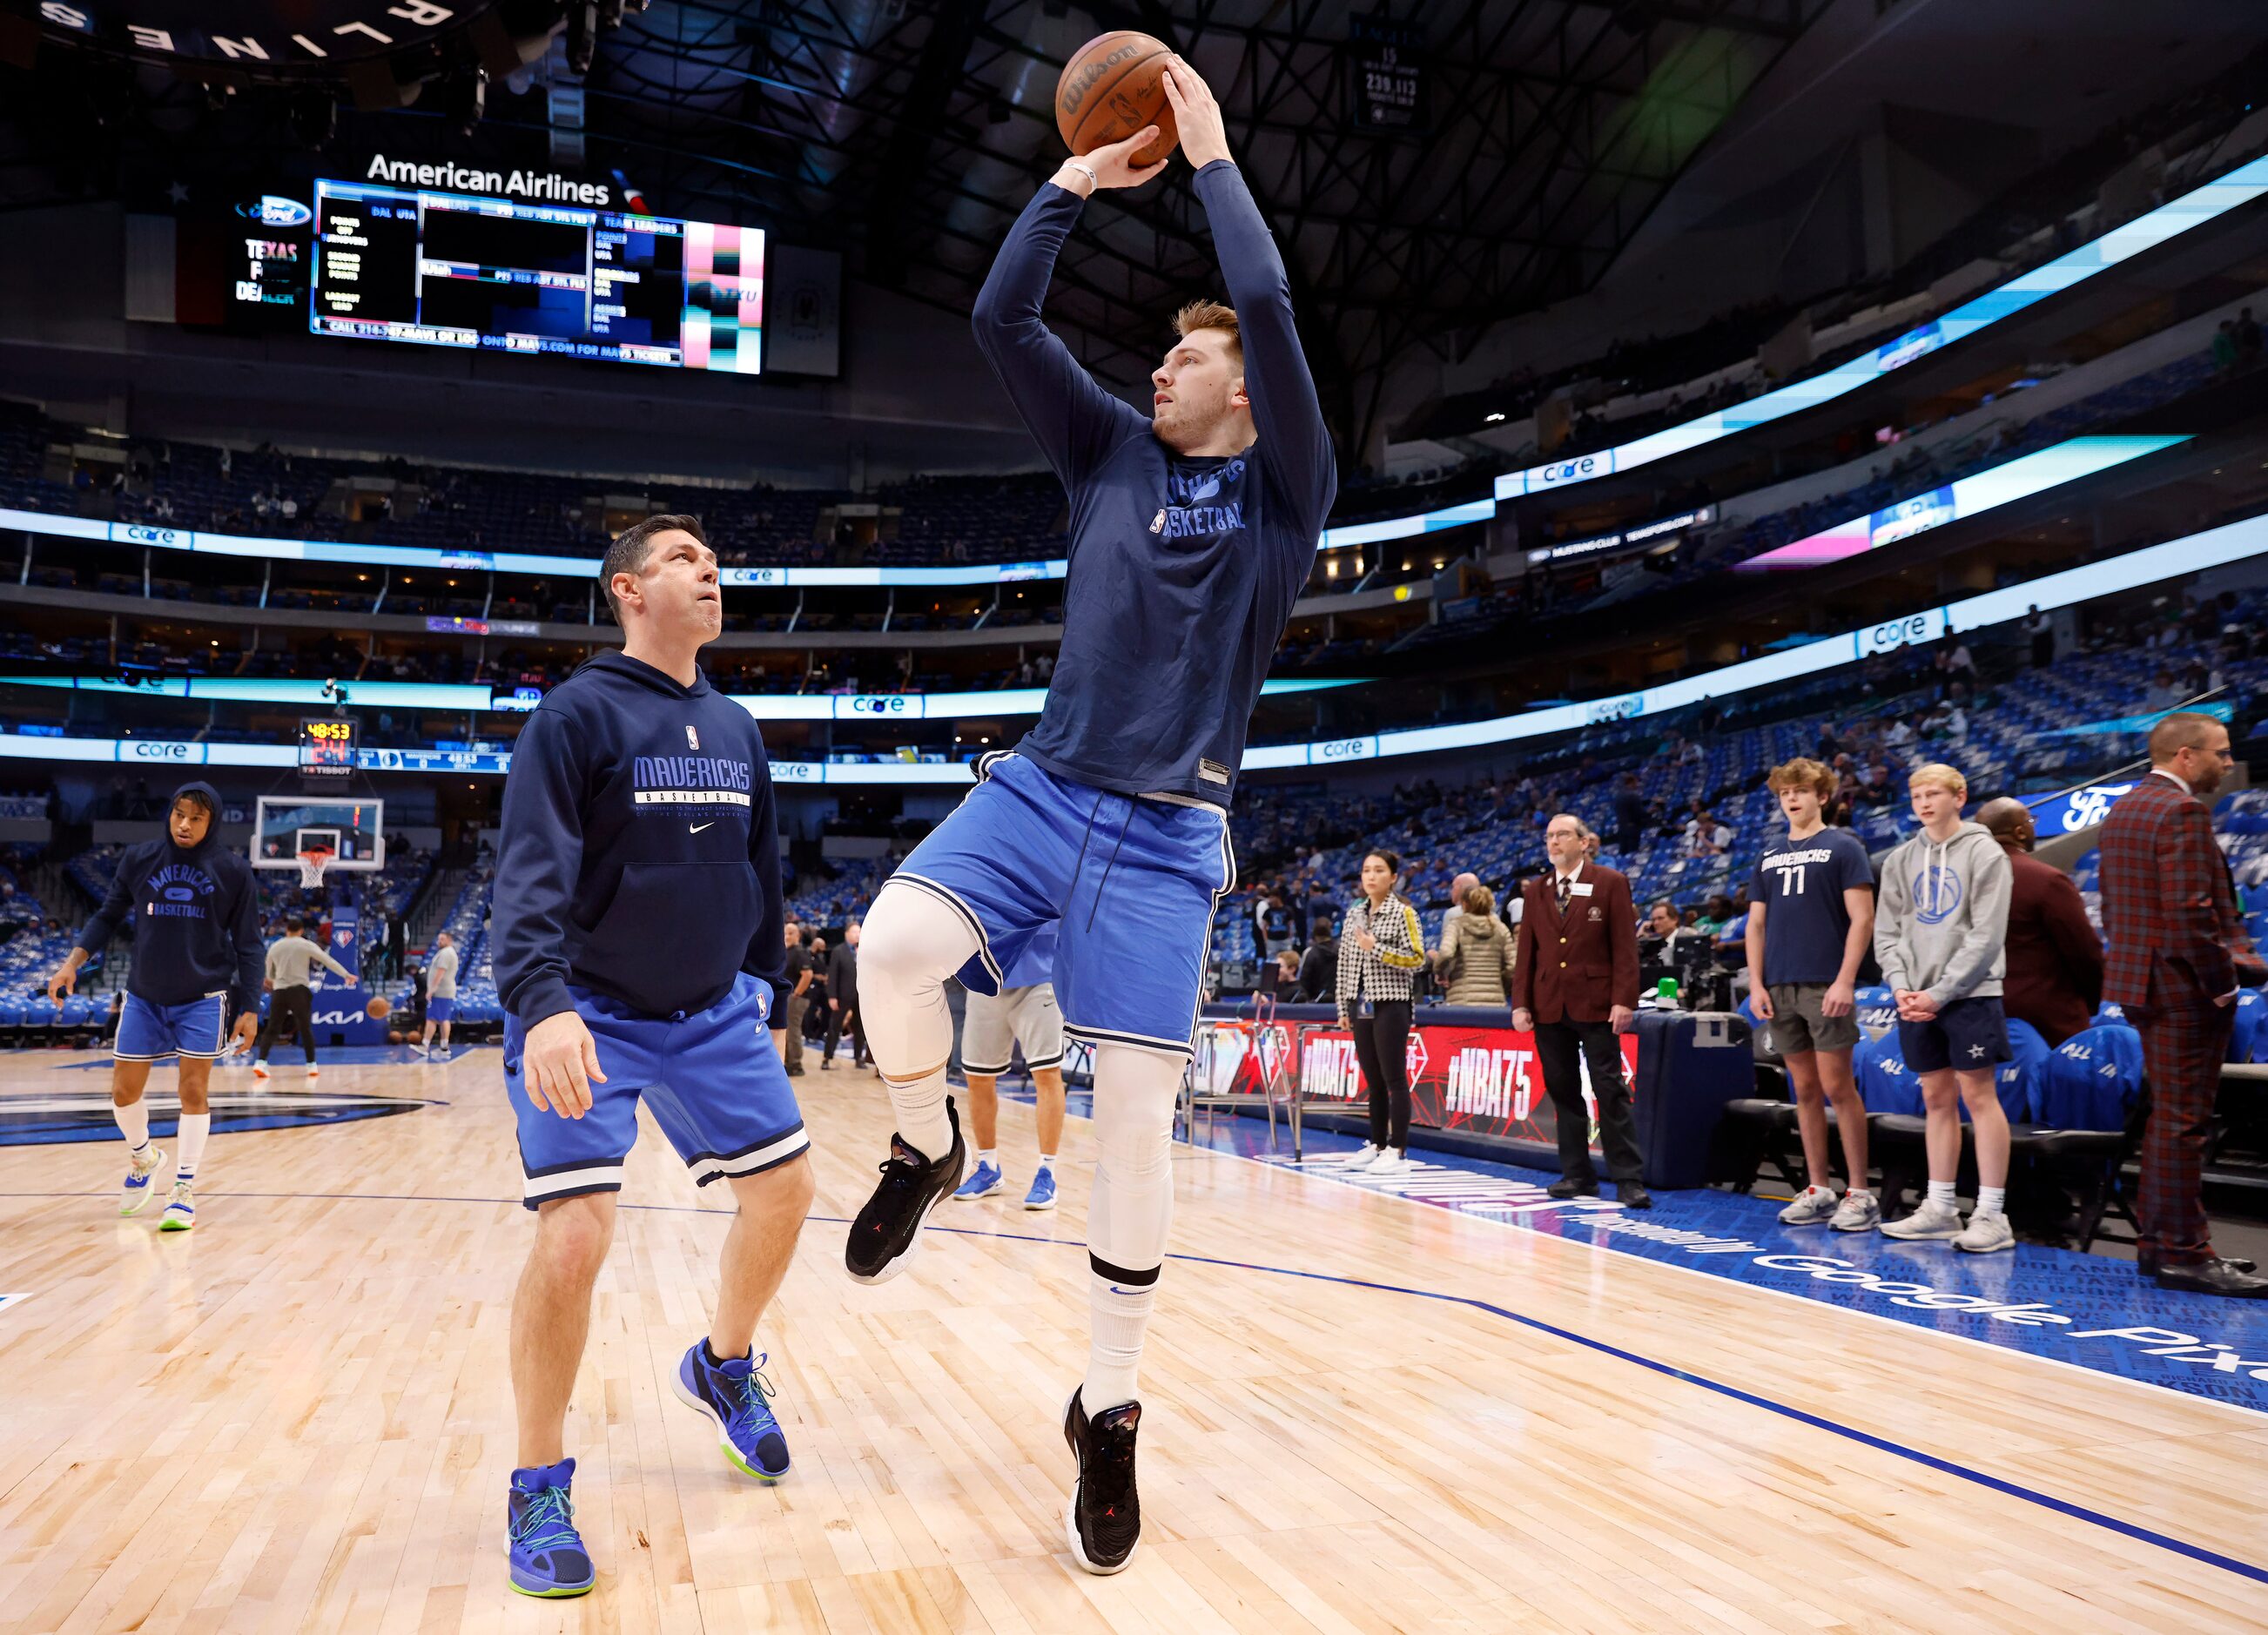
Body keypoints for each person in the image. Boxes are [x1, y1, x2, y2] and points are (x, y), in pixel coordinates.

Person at [841, 60, 1334, 1577]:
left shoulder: (1283, 494)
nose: (1156, 375)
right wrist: (1071, 187)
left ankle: (1107, 1410)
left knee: (1132, 1122)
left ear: (1238, 387)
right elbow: (1003, 321)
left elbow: (1272, 312)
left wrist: (1213, 161)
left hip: (1170, 829)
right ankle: (925, 1145)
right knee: (892, 943)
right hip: (1045, 789)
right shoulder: (1111, 456)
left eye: (1183, 362)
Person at [489, 515, 816, 1598]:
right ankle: (537, 1481)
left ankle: (723, 1367)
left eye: (713, 561)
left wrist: (765, 989)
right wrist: (540, 1006)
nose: (707, 570)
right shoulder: (575, 717)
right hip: (589, 1009)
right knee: (576, 1240)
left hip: (715, 1010)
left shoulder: (736, 726)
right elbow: (528, 873)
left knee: (787, 1192)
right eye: (682, 559)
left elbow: (762, 871)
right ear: (629, 591)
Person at [2097, 713, 2268, 1296]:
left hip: (2140, 984)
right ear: (2185, 757)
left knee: (2168, 1121)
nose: (2227, 763)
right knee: (2182, 1125)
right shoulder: (2183, 811)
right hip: (2181, 990)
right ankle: (2184, 1255)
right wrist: (2223, 982)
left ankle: (2158, 1245)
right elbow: (2190, 915)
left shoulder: (2123, 807)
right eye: (2219, 753)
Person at [47, 781, 261, 1232]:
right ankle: (145, 1157)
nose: (185, 824)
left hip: (203, 997)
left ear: (212, 822)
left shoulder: (234, 871)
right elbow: (107, 916)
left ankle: (183, 1188)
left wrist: (250, 1007)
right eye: (179, 813)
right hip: (144, 994)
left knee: (193, 1092)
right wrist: (72, 964)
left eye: (196, 818)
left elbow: (249, 945)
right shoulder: (140, 858)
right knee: (123, 1093)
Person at [1874, 764, 2015, 1252]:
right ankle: (1939, 1206)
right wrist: (1900, 986)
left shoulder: (1986, 853)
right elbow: (1886, 932)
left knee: (1979, 1098)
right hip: (1914, 996)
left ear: (1960, 796)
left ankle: (1993, 1214)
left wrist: (1942, 991)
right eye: (1917, 796)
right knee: (1935, 1098)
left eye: (1934, 794)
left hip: (1970, 993)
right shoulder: (1899, 860)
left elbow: (1986, 934)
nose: (1925, 803)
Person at [1746, 759, 1879, 1230]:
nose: (1792, 799)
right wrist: (1757, 984)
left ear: (1823, 796)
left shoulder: (1844, 847)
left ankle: (1861, 1192)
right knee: (1803, 1088)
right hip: (1778, 985)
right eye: (1785, 793)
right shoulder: (1767, 854)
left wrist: (1846, 980)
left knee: (1839, 1087)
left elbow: (1863, 919)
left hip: (1826, 983)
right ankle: (1819, 1188)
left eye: (1801, 791)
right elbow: (1756, 925)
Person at [1511, 815, 1650, 1208]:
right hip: (1548, 1004)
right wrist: (1520, 1002)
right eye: (1549, 836)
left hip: (1597, 1003)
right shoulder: (1537, 890)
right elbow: (1527, 953)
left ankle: (1627, 1178)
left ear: (1585, 841)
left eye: (1562, 835)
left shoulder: (1610, 882)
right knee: (1563, 1091)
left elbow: (1625, 947)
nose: (1554, 842)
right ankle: (1576, 1174)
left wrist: (1625, 999)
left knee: (1609, 1089)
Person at [953, 925, 1068, 1211]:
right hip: (986, 975)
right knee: (977, 1077)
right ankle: (989, 1168)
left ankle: (1047, 1172)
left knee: (1046, 1073)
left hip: (1041, 977)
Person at [1974, 797, 2103, 1046]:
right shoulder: (2046, 879)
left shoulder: (1964, 883)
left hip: (1983, 1015)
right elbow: (2084, 951)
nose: (2033, 826)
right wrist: (2093, 1001)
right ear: (2020, 832)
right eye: (2031, 821)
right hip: (2050, 1018)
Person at [1335, 849, 1428, 1177]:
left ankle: (1398, 1149)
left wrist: (1377, 949)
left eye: (1378, 870)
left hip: (1392, 1003)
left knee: (1394, 1078)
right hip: (1361, 1005)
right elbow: (1344, 964)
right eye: (1366, 870)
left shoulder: (1404, 914)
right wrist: (1343, 1006)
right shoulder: (1353, 915)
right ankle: (1376, 1144)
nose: (1371, 876)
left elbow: (1418, 959)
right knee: (1372, 1080)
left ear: (1393, 877)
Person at [252, 913, 356, 1080]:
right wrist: (346, 975)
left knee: (273, 1027)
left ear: (287, 930)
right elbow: (327, 960)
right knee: (305, 1028)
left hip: (279, 991)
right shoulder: (306, 945)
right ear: (301, 930)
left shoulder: (275, 946)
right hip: (299, 990)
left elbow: (269, 974)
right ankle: (311, 1065)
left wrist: (273, 980)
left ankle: (261, 1062)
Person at [1433, 882, 1517, 1006]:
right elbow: (1513, 966)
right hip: (1495, 1000)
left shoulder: (1456, 925)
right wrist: (1500, 984)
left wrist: (1439, 972)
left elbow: (1445, 953)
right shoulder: (1501, 928)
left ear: (1465, 904)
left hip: (1462, 999)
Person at [822, 918, 866, 1070]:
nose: (857, 935)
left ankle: (859, 1058)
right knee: (835, 1026)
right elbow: (833, 975)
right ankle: (827, 1058)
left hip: (861, 996)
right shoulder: (839, 951)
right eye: (854, 931)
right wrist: (832, 996)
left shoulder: (864, 951)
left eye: (859, 932)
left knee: (860, 1028)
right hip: (842, 995)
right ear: (847, 933)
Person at [773, 920, 811, 1075]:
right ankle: (788, 1061)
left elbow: (808, 975)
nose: (787, 936)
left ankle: (796, 1063)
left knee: (793, 1030)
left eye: (791, 933)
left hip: (796, 998)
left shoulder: (800, 952)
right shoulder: (785, 952)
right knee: (787, 1030)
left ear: (798, 935)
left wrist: (797, 993)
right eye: (785, 933)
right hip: (788, 997)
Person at [420, 930, 460, 1058]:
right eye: (439, 939)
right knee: (443, 1019)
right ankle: (443, 1046)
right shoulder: (447, 952)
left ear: (449, 940)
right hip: (445, 991)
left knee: (432, 1018)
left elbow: (440, 972)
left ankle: (425, 1045)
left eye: (442, 939)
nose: (439, 941)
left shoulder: (446, 953)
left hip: (441, 991)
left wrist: (431, 989)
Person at [1295, 915, 1338, 1002]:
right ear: (1331, 931)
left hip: (1316, 1004)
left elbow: (1304, 982)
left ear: (1314, 933)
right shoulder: (1343, 950)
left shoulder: (1310, 953)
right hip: (1340, 1002)